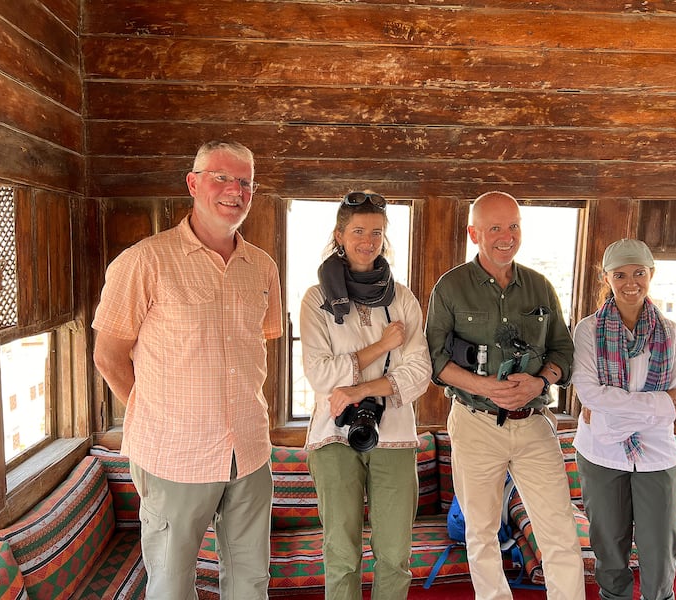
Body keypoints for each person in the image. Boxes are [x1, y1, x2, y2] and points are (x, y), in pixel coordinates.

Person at [92, 140, 282, 599]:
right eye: (222, 177)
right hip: (172, 456)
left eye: (245, 182)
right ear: (193, 183)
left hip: (250, 452)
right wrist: (157, 415)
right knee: (172, 585)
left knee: (251, 580)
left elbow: (260, 345)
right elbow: (109, 356)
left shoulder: (262, 267)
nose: (235, 190)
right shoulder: (144, 262)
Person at [424, 191, 586, 600]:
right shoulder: (451, 287)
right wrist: (485, 387)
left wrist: (540, 380)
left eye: (513, 226)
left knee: (560, 530)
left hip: (534, 424)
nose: (505, 236)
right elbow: (434, 360)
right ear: (474, 232)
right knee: (480, 532)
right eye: (495, 227)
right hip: (474, 423)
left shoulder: (540, 286)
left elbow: (563, 351)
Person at [299, 191, 432, 600]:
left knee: (395, 554)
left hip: (394, 432)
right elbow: (320, 375)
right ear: (340, 234)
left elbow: (419, 371)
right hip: (333, 433)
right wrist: (378, 350)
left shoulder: (403, 298)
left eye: (377, 232)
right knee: (341, 553)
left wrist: (361, 389)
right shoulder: (316, 300)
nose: (368, 240)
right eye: (358, 230)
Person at [571, 238, 676, 600]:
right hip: (600, 453)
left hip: (657, 454)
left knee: (660, 546)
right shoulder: (587, 331)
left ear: (651, 274)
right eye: (620, 274)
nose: (630, 282)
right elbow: (590, 395)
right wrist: (659, 404)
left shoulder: (673, 334)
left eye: (639, 273)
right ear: (606, 277)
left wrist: (612, 410)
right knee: (608, 545)